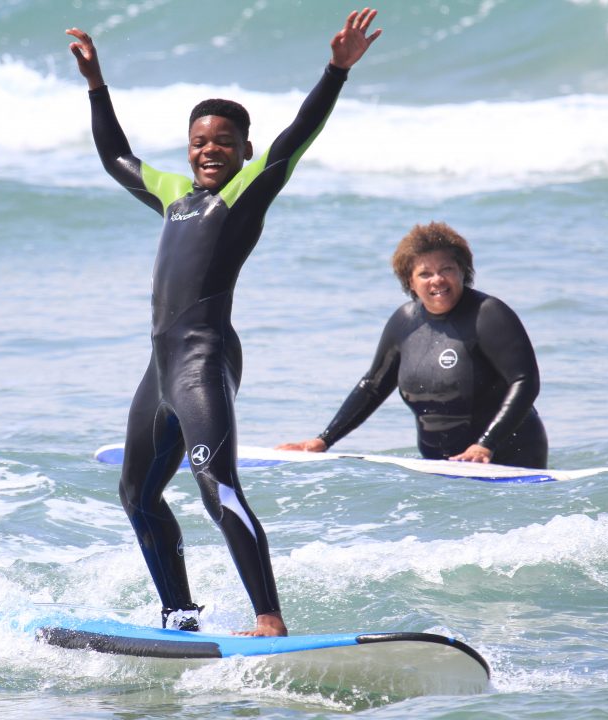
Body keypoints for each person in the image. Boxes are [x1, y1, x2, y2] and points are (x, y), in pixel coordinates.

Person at [66, 9, 381, 637]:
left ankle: (269, 619)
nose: (210, 150)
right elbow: (115, 156)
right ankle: (179, 617)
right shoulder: (171, 195)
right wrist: (97, 86)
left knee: (217, 485)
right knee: (137, 494)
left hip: (205, 357)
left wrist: (335, 72)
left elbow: (296, 137)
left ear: (243, 149)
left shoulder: (244, 194)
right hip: (161, 369)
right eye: (200, 142)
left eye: (223, 142)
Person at [278, 222, 549, 469]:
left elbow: (525, 381)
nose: (437, 280)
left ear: (462, 272)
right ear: (410, 281)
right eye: (425, 273)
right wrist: (323, 440)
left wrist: (485, 444)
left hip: (507, 460)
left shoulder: (489, 315)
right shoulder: (404, 322)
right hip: (441, 467)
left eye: (446, 269)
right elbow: (372, 387)